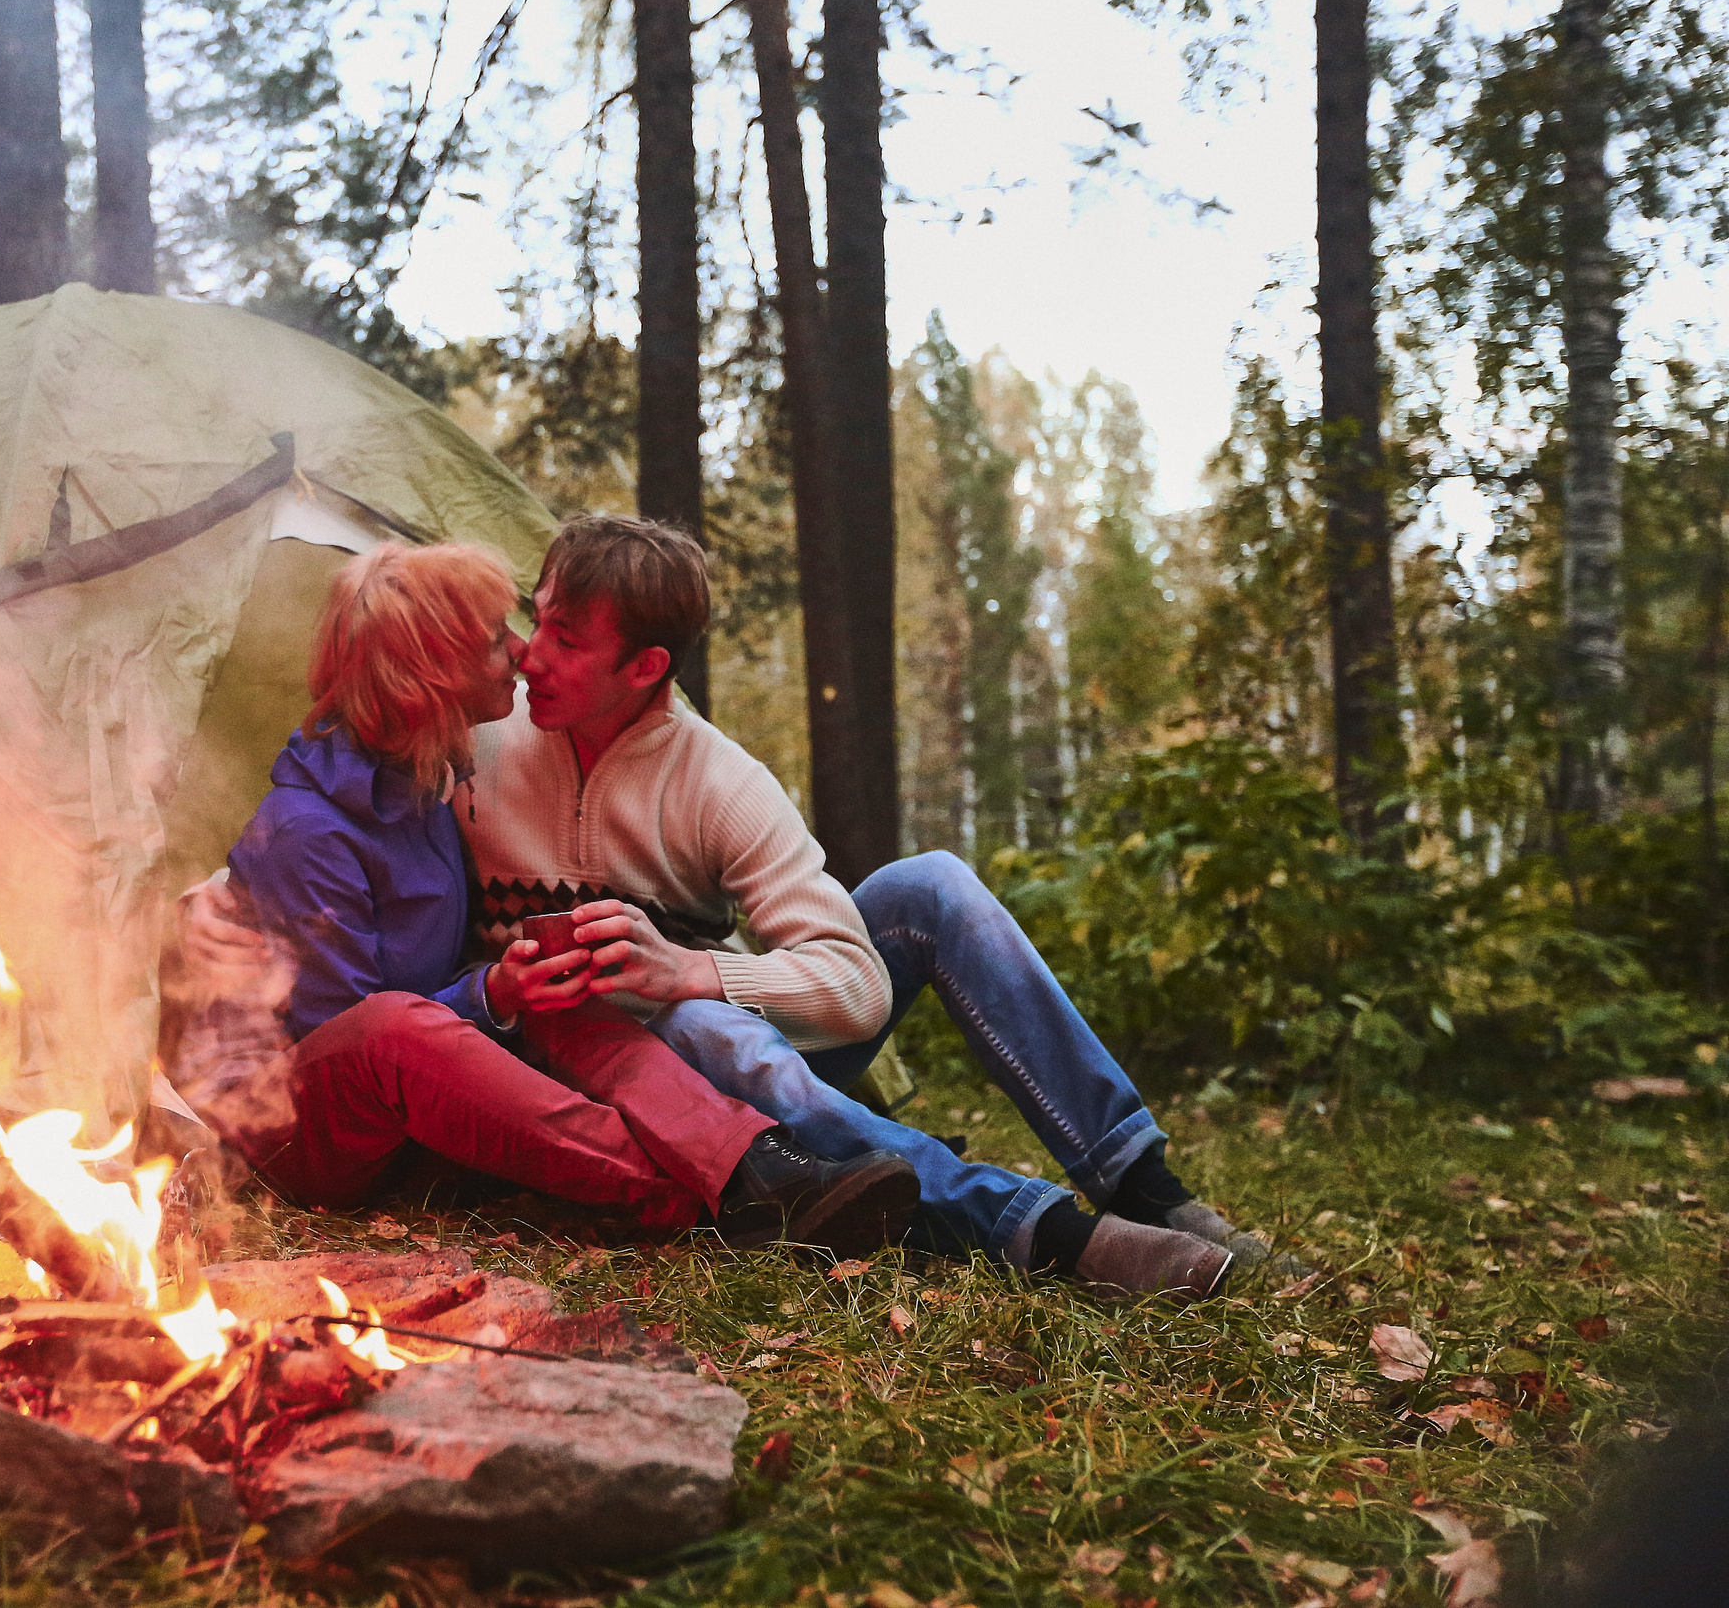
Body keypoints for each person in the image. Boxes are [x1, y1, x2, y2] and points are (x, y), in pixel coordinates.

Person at [195, 516, 1253, 1299]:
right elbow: (339, 839)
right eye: (528, 622)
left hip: (698, 1027)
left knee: (927, 888)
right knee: (695, 1031)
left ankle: (1137, 1178)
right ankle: (1006, 1223)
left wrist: (690, 969)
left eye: (562, 638)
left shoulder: (718, 782)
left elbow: (854, 989)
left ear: (644, 667)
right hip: (564, 1046)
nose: (526, 654)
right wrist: (214, 904)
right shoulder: (467, 752)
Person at [171, 538, 918, 1256]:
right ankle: (697, 1196)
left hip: (408, 1105)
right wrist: (488, 993)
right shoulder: (310, 832)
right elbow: (354, 1047)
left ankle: (761, 1165)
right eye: (495, 638)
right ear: (430, 674)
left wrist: (512, 991)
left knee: (561, 999)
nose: (522, 651)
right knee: (396, 1027)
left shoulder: (429, 779)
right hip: (293, 1134)